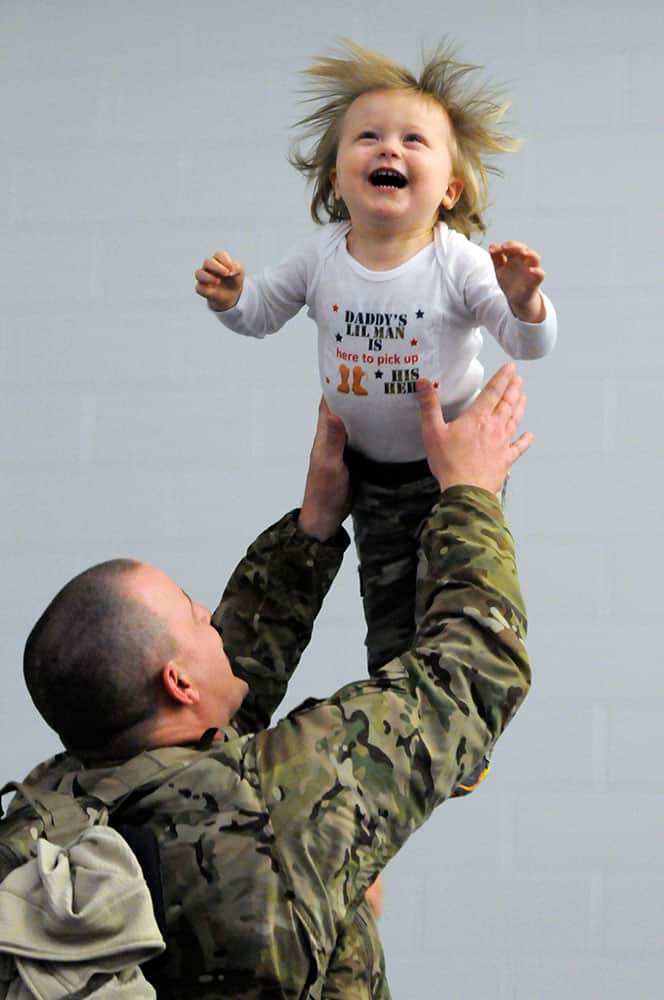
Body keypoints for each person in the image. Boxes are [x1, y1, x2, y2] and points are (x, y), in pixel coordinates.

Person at [20, 364, 531, 998]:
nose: (210, 615)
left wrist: (313, 527)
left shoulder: (53, 806)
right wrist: (471, 496)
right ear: (177, 684)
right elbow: (473, 669)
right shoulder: (278, 807)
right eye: (192, 610)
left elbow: (217, 692)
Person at [194, 42, 555, 796]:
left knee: (454, 600)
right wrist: (232, 301)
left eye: (412, 140)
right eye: (368, 137)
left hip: (447, 471)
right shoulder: (322, 255)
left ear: (448, 189)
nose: (389, 148)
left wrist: (524, 301)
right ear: (337, 178)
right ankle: (424, 744)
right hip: (368, 476)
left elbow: (529, 344)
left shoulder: (456, 263)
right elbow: (263, 313)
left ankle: (470, 733)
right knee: (389, 614)